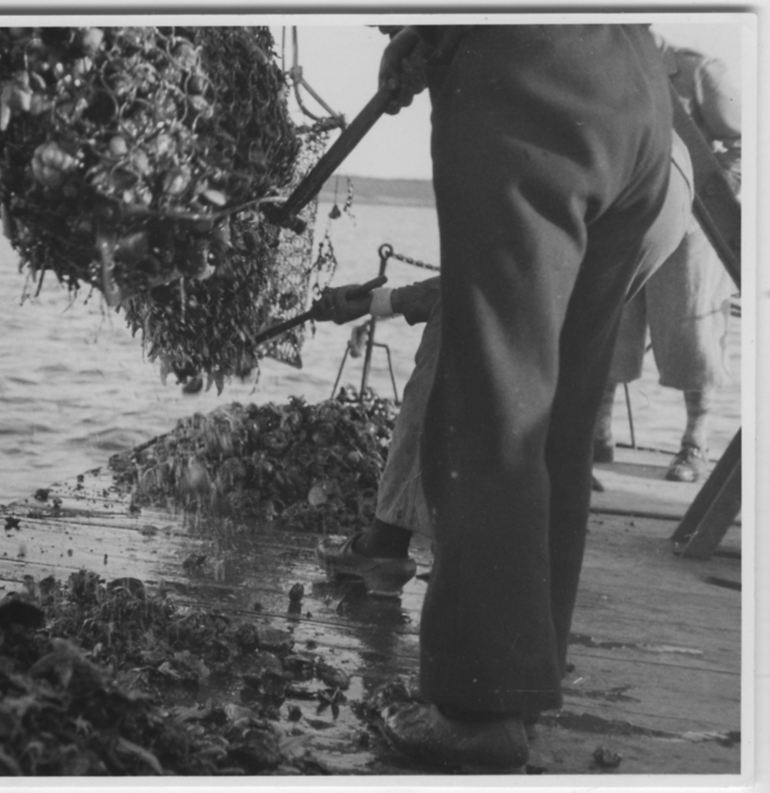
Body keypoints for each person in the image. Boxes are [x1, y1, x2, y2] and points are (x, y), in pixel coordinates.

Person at [312, 24, 674, 771]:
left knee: (490, 402)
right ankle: (519, 681)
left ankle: (478, 710)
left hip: (528, 74)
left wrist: (439, 24)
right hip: (636, 89)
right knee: (557, 417)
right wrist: (427, 31)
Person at [595, 36, 740, 483]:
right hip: (622, 223)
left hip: (691, 229)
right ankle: (597, 434)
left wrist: (705, 204)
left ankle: (695, 443)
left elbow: (741, 145)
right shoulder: (604, 61)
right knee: (607, 331)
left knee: (693, 338)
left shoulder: (698, 71)